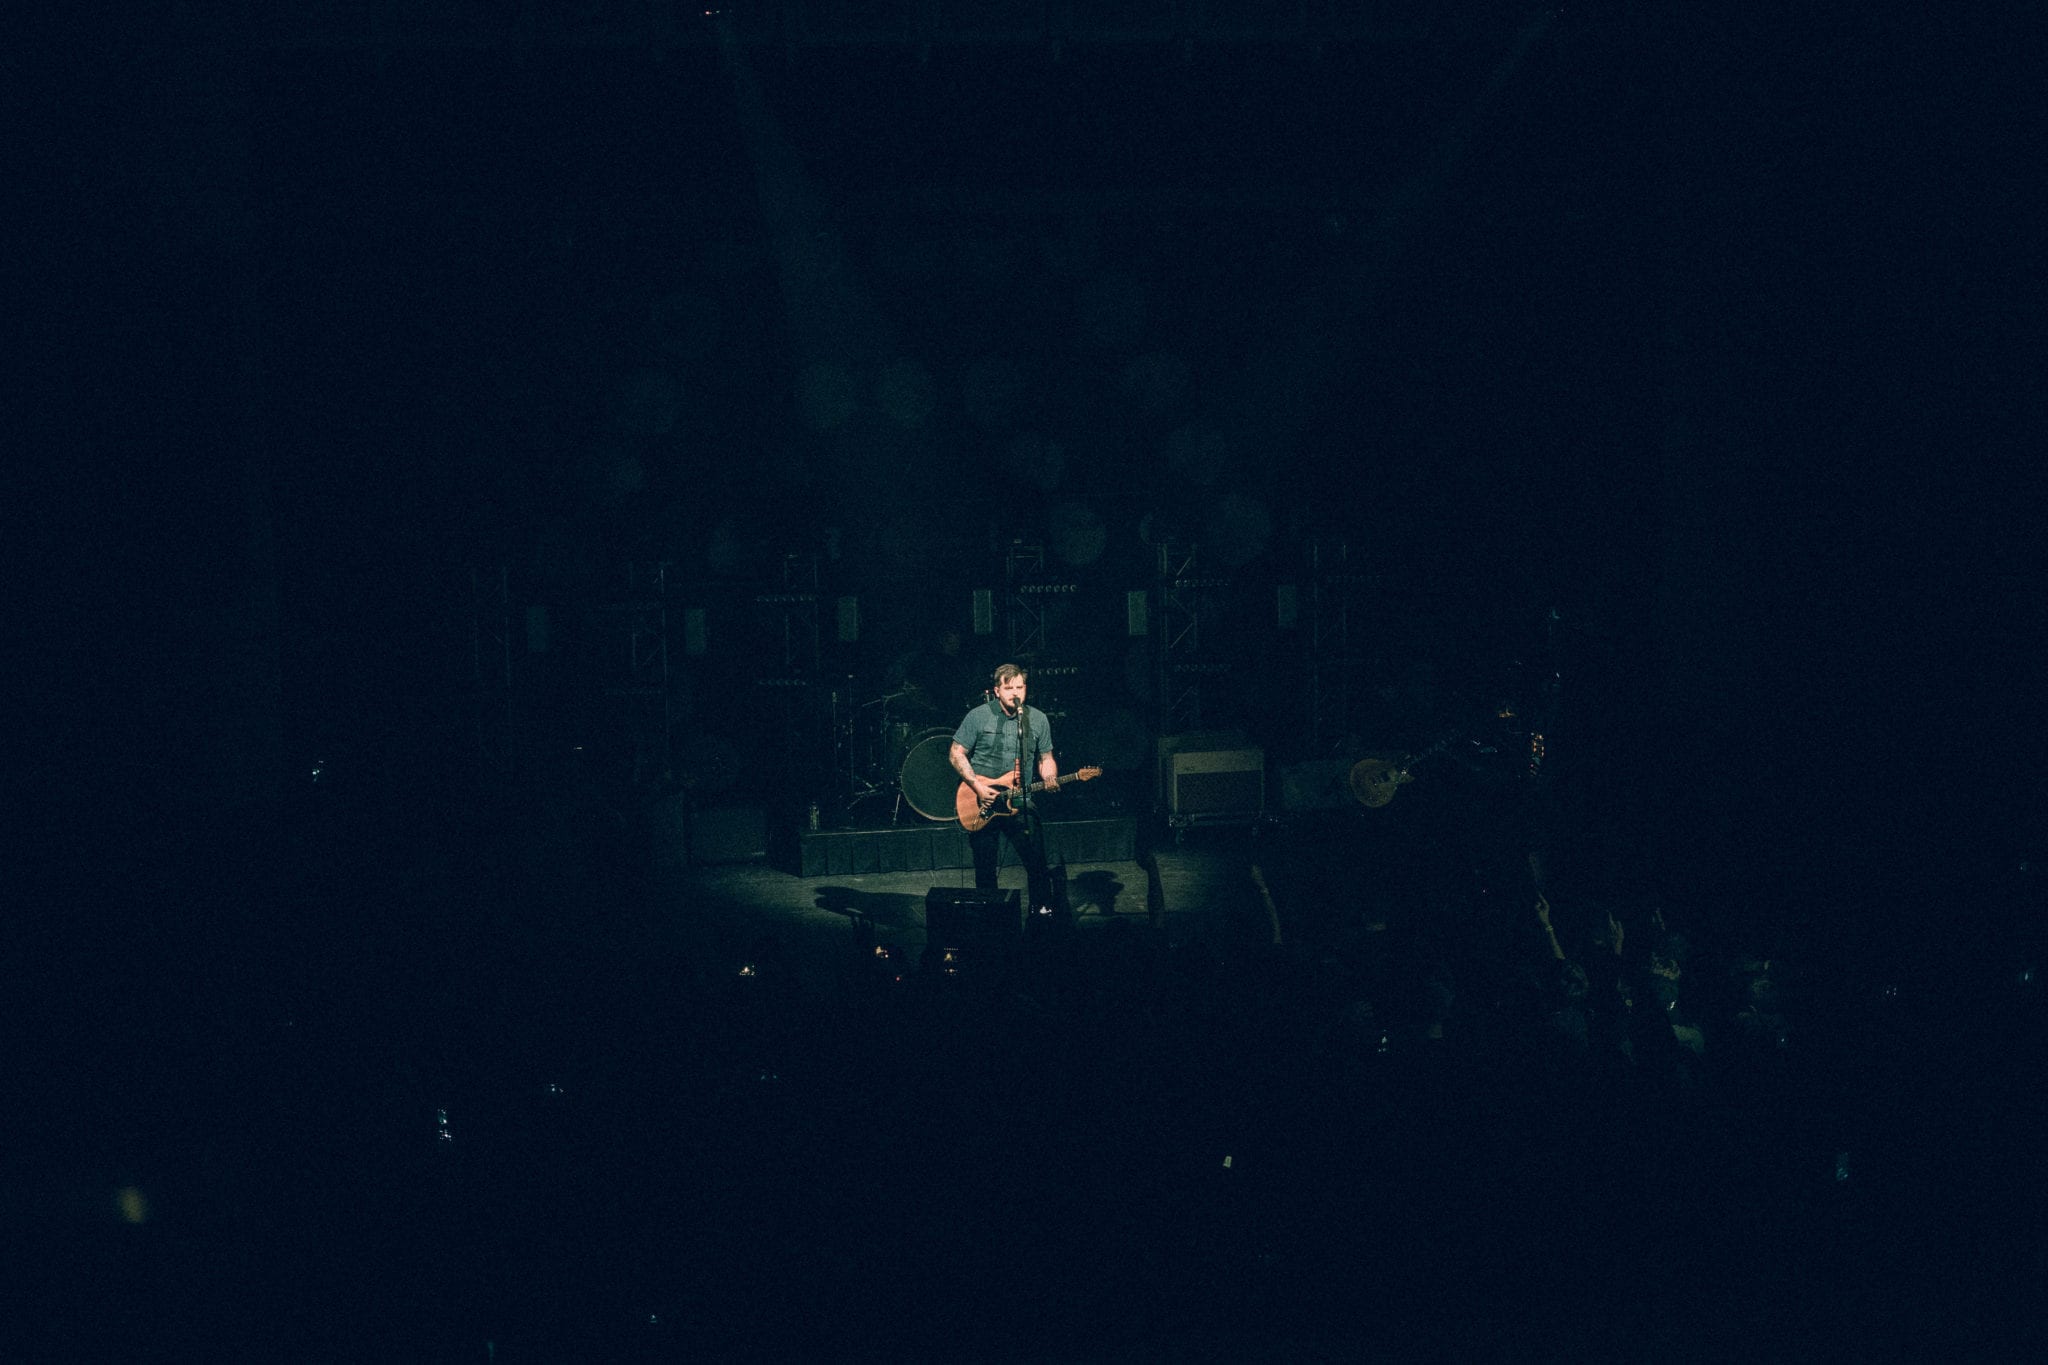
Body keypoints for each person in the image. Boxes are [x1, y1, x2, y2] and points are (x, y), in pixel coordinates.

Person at [949, 663, 1059, 912]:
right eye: (1009, 688)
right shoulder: (978, 716)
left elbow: (1046, 758)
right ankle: (991, 917)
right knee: (985, 868)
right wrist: (977, 787)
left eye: (1020, 687)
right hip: (982, 800)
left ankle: (1041, 913)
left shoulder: (1037, 719)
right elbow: (956, 753)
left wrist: (1050, 775)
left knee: (1036, 862)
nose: (1015, 693)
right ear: (997, 691)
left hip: (1019, 800)